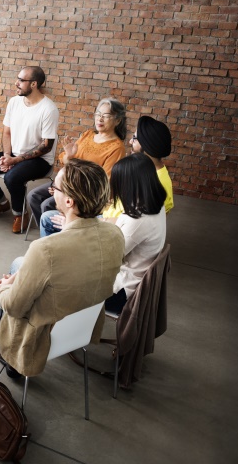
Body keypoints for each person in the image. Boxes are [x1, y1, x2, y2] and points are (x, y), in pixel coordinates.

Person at [0, 159, 123, 387]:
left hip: (37, 333)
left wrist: (6, 286)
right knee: (19, 262)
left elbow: (13, 307)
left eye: (55, 185)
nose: (51, 189)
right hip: (76, 327)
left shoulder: (46, 249)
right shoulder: (114, 234)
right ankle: (11, 363)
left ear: (69, 201)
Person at [42, 115, 175, 237]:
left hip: (108, 228)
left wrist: (81, 221)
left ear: (148, 145)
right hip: (106, 215)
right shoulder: (147, 173)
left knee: (47, 218)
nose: (129, 142)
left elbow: (135, 223)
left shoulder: (156, 183)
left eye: (135, 139)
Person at [0, 66, 58, 233]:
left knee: (12, 178)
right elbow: (7, 132)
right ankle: (0, 203)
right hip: (13, 153)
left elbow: (46, 146)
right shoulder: (14, 102)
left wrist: (16, 160)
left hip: (40, 160)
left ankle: (20, 214)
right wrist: (7, 156)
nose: (16, 83)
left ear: (34, 84)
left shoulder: (49, 109)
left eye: (21, 80)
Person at [28, 97, 127, 228]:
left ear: (118, 120)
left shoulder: (116, 147)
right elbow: (65, 159)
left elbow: (103, 181)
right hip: (67, 181)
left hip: (84, 193)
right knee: (34, 196)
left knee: (47, 204)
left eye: (106, 115)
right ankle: (48, 230)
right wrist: (69, 157)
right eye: (98, 114)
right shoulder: (88, 135)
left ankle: (64, 233)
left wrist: (64, 189)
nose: (100, 118)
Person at [103, 153, 167, 315]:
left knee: (63, 284)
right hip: (133, 278)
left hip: (122, 292)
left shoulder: (137, 220)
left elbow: (106, 258)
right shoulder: (154, 204)